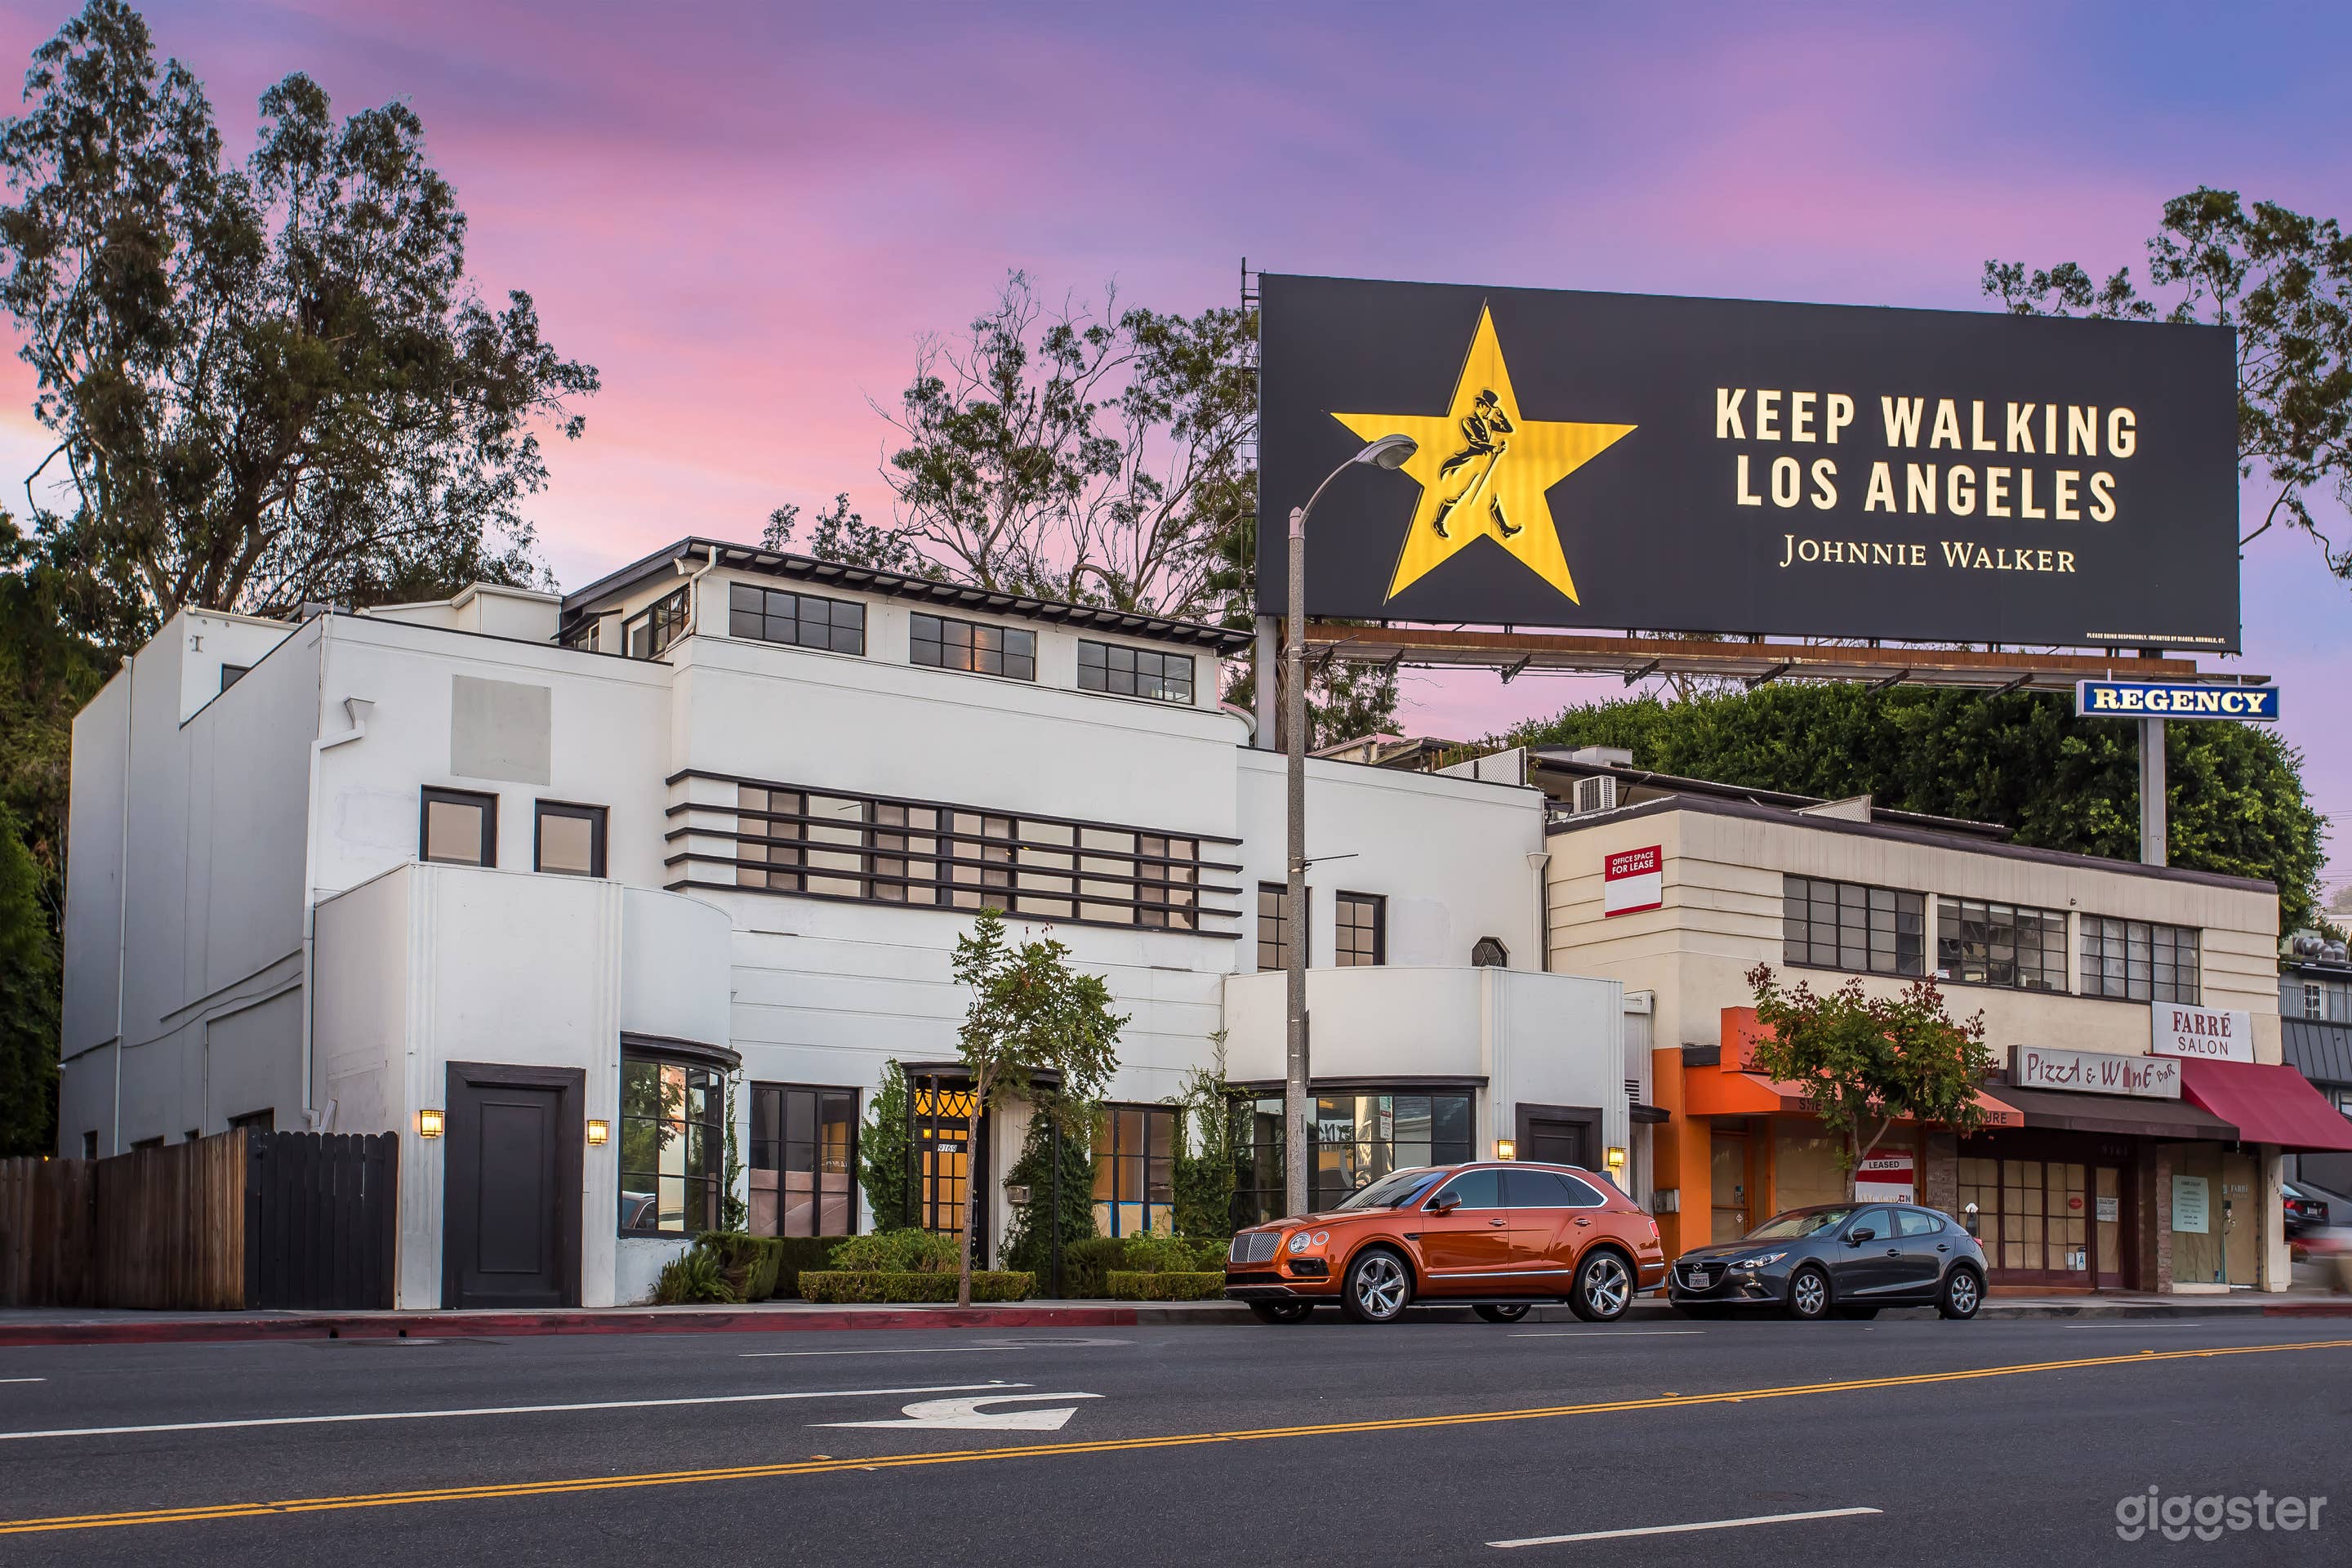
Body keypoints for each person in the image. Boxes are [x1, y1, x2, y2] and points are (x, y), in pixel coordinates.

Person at [1432, 389, 1519, 539]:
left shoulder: (1490, 422)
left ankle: (1504, 529)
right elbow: (1474, 442)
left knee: (1494, 496)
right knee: (1457, 494)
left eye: (1492, 410)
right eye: (1490, 408)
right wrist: (1493, 447)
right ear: (1482, 404)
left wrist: (1501, 415)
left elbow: (1509, 429)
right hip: (1471, 462)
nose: (1490, 412)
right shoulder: (1468, 421)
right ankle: (1439, 522)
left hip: (1485, 463)